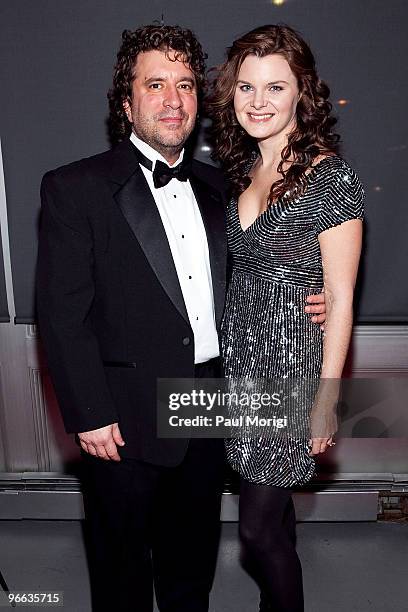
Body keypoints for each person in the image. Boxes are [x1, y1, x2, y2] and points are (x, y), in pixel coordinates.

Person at [36, 24, 327, 612]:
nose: (173, 99)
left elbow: (261, 272)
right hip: (119, 418)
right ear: (127, 102)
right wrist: (89, 413)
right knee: (120, 572)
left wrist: (313, 296)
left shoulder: (221, 185)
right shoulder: (76, 187)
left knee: (191, 565)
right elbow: (61, 315)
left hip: (209, 405)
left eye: (186, 85)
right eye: (155, 84)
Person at [208, 24, 364, 612]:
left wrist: (327, 402)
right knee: (273, 515)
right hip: (240, 376)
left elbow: (342, 300)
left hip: (293, 377)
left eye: (275, 88)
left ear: (303, 93)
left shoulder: (329, 178)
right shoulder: (242, 174)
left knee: (253, 530)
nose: (257, 103)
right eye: (246, 87)